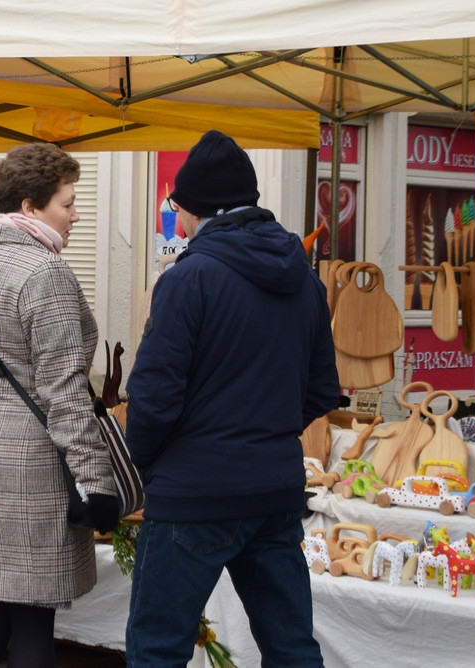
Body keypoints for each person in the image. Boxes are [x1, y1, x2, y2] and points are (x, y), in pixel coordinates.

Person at [124, 130, 340, 667]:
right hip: (274, 490)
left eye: (177, 209)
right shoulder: (305, 281)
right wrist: (268, 433)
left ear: (194, 210)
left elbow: (152, 399)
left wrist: (145, 464)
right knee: (291, 647)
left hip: (193, 493)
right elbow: (320, 390)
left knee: (157, 649)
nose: (178, 220)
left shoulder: (187, 279)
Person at [0, 143, 118, 667]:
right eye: (67, 204)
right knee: (32, 616)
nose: (76, 214)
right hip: (31, 461)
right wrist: (94, 481)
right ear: (29, 206)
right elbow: (64, 392)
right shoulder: (46, 273)